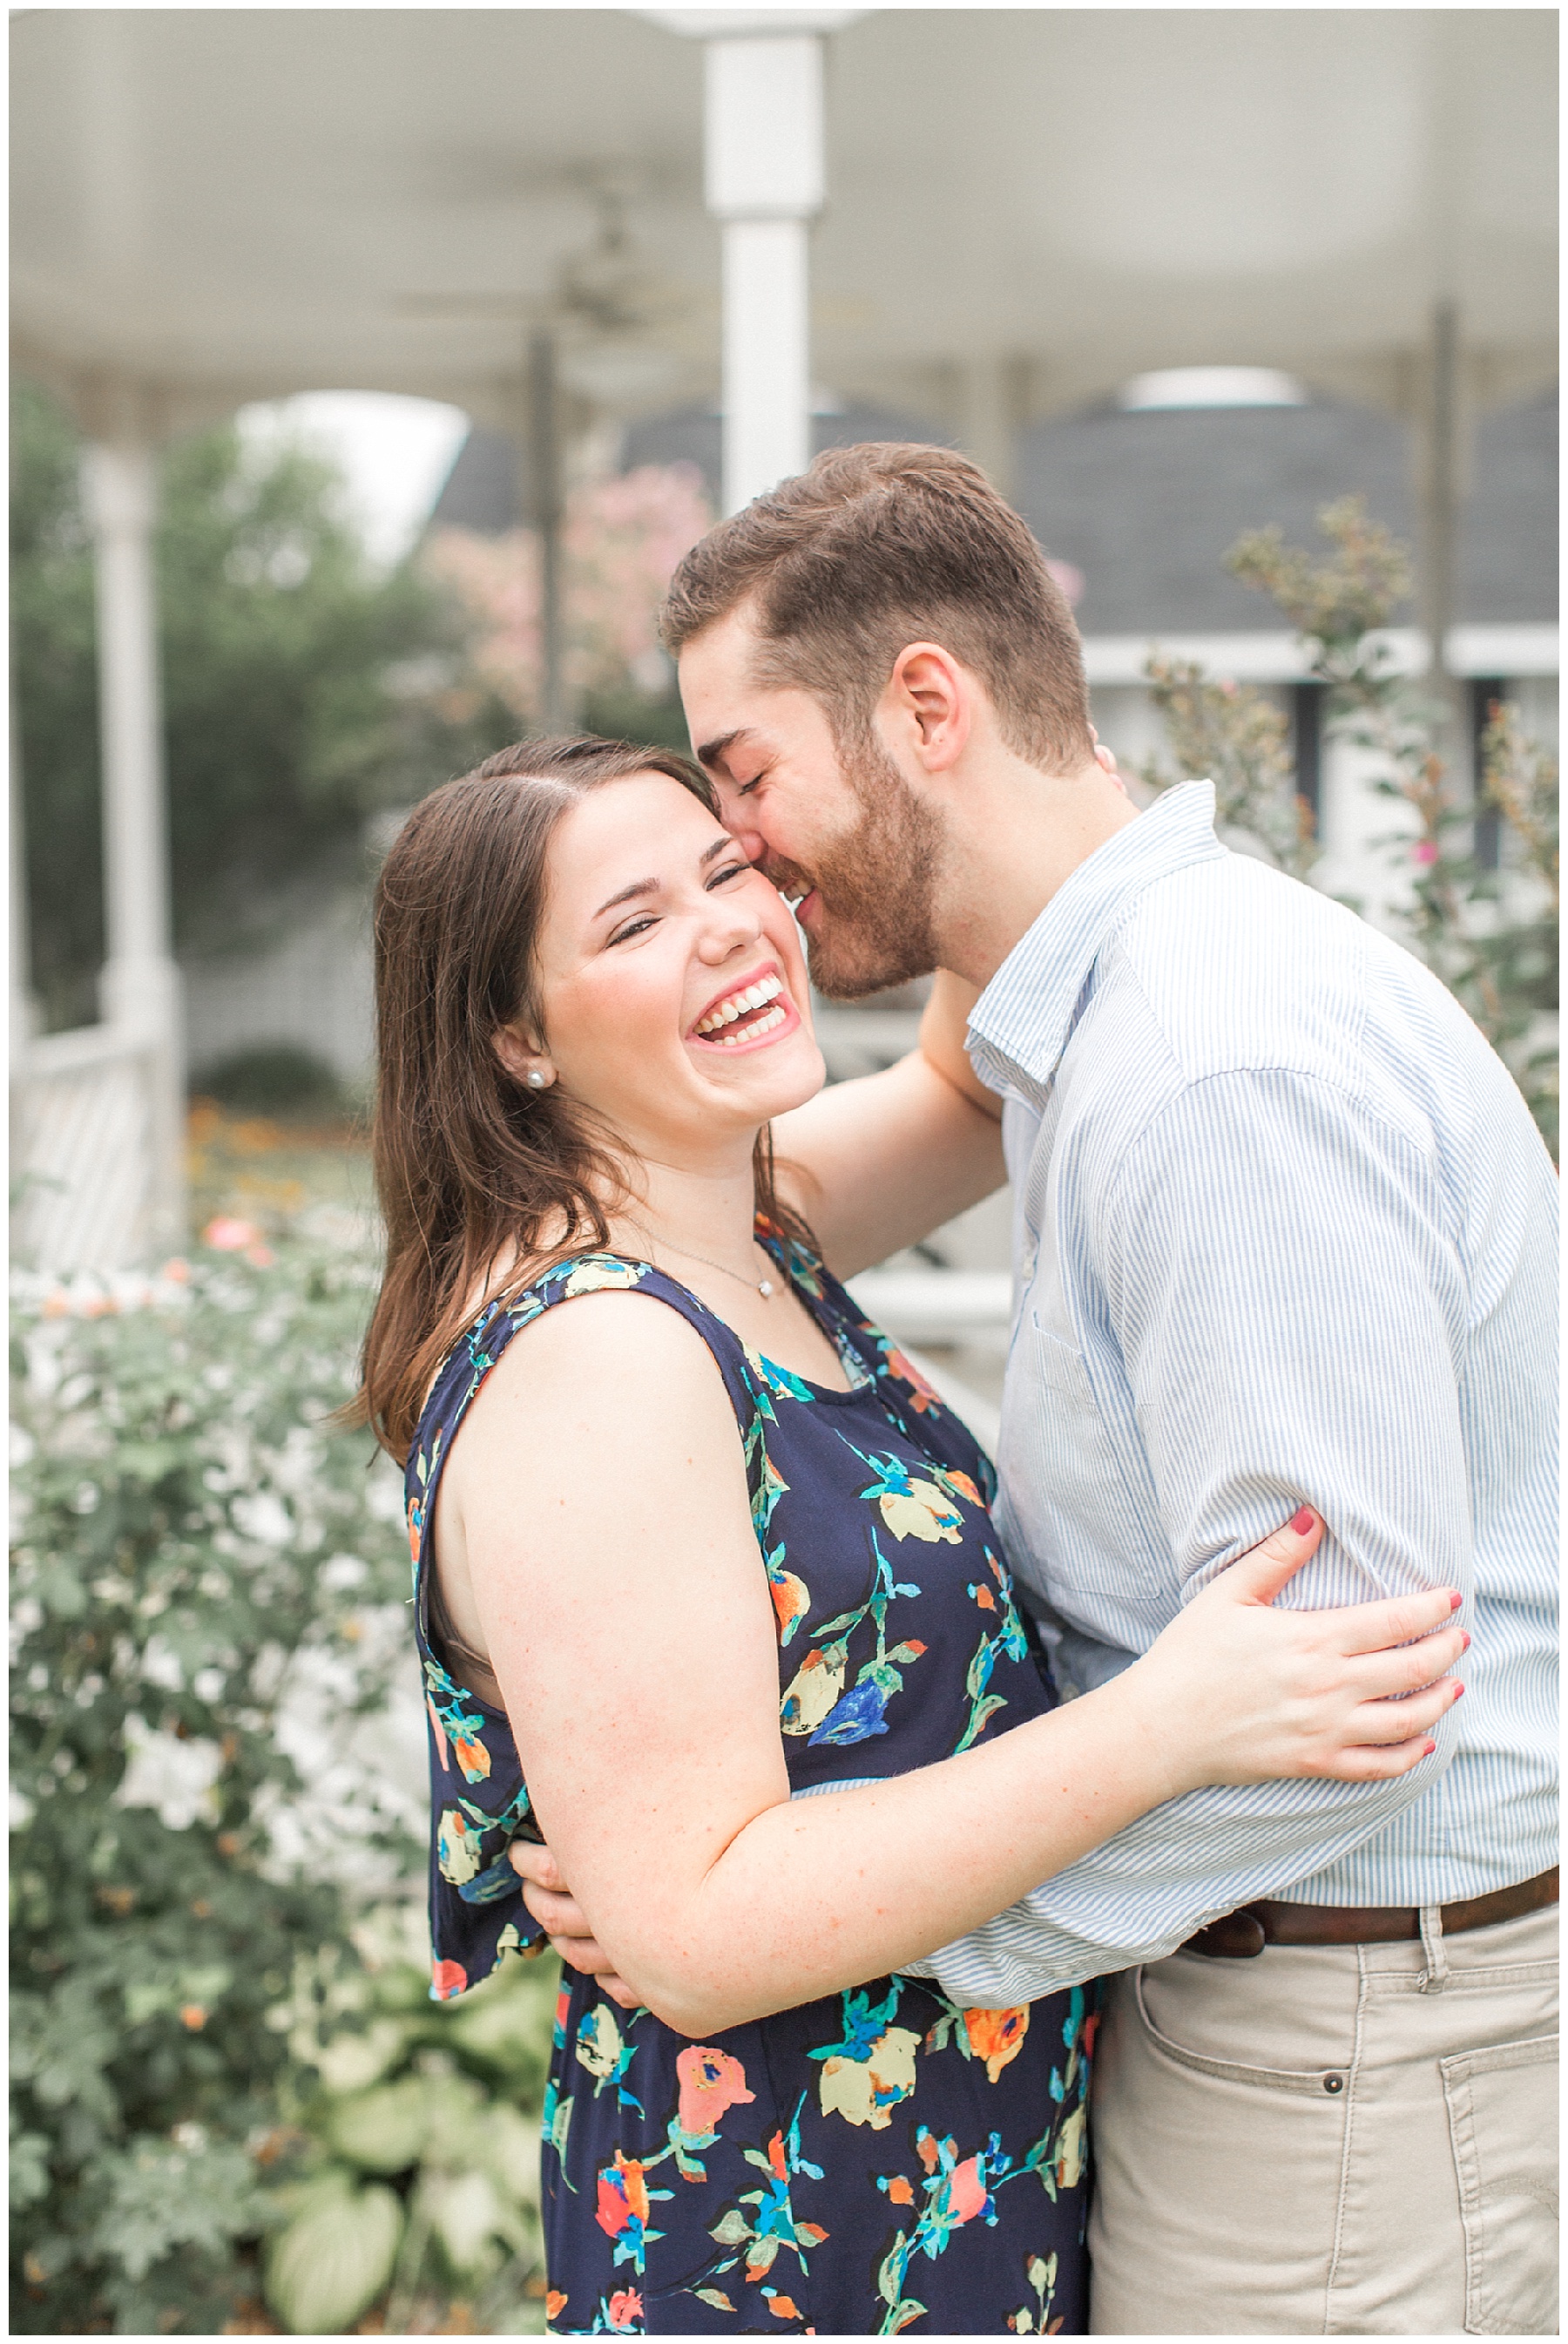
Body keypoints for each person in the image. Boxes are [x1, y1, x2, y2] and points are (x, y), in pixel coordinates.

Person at [519, 444, 1558, 2336]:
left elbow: (1340, 1700)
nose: (741, 856)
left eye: (742, 780)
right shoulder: (1093, 1020)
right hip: (1256, 2019)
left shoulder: (1211, 1065)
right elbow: (898, 1106)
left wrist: (855, 1929)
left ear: (928, 704)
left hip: (1341, 2051)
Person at [362, 734, 1465, 2339]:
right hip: (790, 2232)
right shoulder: (596, 1359)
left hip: (942, 2167)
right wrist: (1169, 1723)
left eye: (730, 871)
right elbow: (697, 1931)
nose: (731, 924)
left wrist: (931, 769)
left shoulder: (736, 1219)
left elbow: (960, 1078)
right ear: (517, 1039)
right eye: (634, 920)